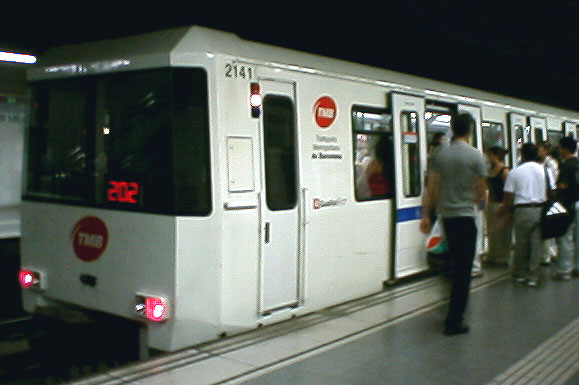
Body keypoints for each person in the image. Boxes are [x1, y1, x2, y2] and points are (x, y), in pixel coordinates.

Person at [420, 113, 487, 336]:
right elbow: (481, 191)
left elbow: (431, 187)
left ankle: (448, 309)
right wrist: (477, 203)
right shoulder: (476, 156)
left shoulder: (440, 154)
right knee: (463, 271)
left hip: (447, 218)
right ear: (469, 130)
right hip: (466, 218)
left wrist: (425, 215)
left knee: (452, 264)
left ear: (452, 128)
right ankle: (454, 320)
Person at [500, 143, 555, 287]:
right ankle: (533, 276)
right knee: (537, 245)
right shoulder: (546, 171)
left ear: (522, 155)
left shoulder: (515, 172)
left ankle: (519, 273)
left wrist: (505, 212)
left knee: (521, 244)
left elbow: (508, 196)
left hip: (521, 211)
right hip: (540, 210)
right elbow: (553, 192)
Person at [553, 136, 579, 280]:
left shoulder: (566, 165)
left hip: (568, 203)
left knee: (565, 237)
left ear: (565, 149)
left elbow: (562, 185)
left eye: (560, 147)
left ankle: (564, 270)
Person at [485, 146, 512, 267]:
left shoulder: (504, 171)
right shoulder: (490, 170)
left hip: (501, 203)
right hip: (491, 203)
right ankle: (492, 254)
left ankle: (502, 257)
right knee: (492, 232)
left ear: (496, 156)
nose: (488, 158)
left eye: (489, 155)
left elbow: (508, 191)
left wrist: (506, 206)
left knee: (502, 232)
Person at [537, 141, 559, 266]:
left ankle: (548, 254)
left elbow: (553, 182)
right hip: (544, 198)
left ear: (546, 150)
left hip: (548, 198)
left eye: (540, 149)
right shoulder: (541, 163)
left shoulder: (549, 163)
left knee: (548, 229)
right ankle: (547, 253)